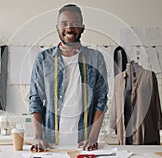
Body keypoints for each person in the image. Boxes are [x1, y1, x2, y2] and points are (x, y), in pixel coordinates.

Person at [29, 4, 108, 152]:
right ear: (57, 28)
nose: (69, 28)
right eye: (64, 24)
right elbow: (36, 99)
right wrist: (38, 137)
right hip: (51, 144)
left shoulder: (96, 58)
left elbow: (101, 100)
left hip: (84, 144)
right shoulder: (43, 59)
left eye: (75, 24)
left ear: (82, 28)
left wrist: (93, 137)